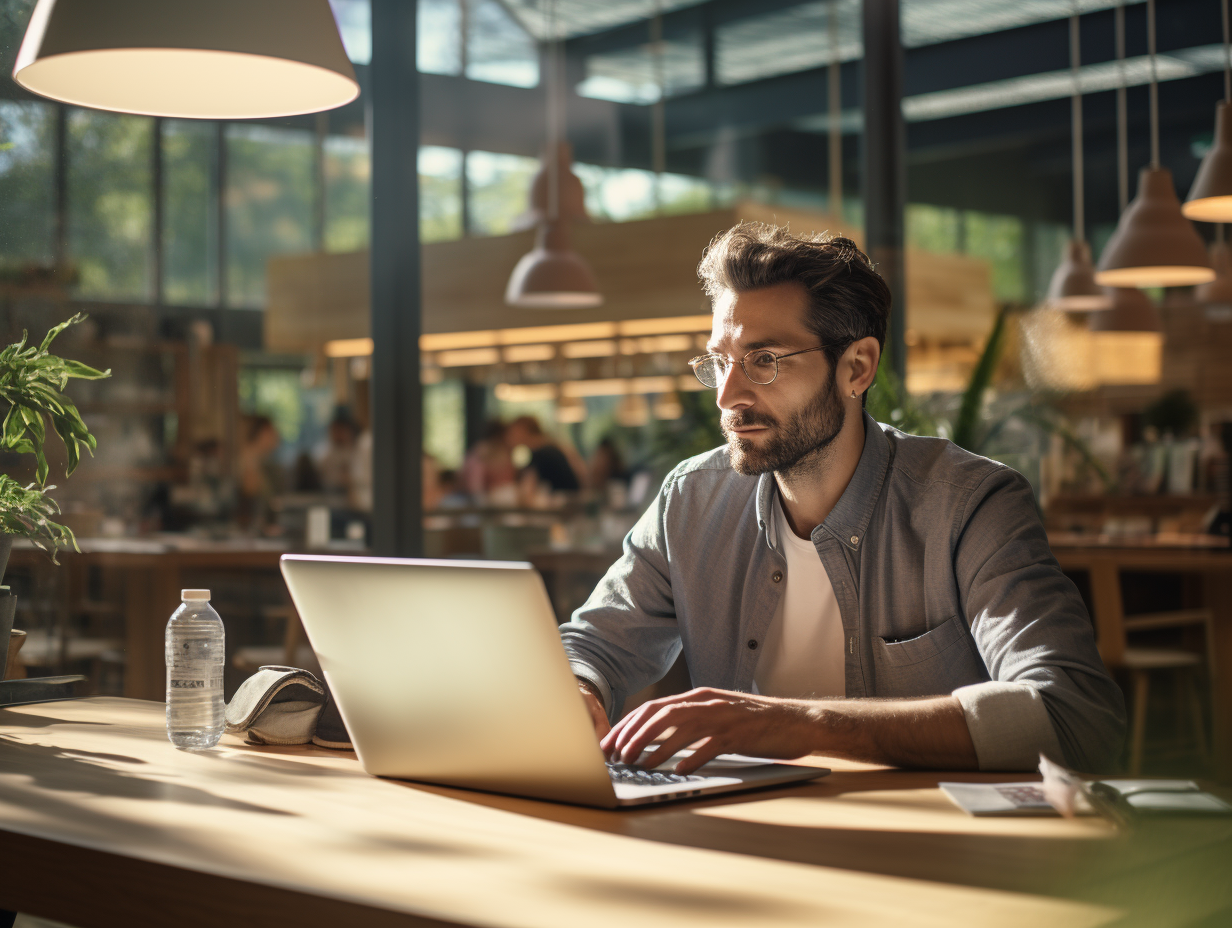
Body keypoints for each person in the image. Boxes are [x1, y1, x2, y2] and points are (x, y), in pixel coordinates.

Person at [561, 222, 1126, 776]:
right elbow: (592, 643)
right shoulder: (690, 502)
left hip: (930, 847)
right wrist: (579, 688)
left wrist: (804, 724)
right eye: (720, 362)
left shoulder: (969, 505)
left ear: (856, 367)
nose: (729, 395)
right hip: (740, 838)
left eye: (765, 360)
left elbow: (1076, 716)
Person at [505, 415, 583, 494]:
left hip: (565, 502)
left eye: (512, 433)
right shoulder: (552, 446)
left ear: (522, 431)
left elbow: (527, 492)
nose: (508, 438)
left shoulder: (541, 453)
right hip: (570, 499)